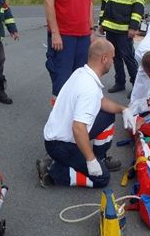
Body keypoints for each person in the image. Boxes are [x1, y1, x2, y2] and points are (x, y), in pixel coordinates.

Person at [38, 39, 137, 188]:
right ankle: (53, 171)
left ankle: (100, 159)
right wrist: (90, 160)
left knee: (107, 115)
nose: (113, 60)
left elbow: (102, 102)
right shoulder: (88, 88)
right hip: (61, 145)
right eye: (112, 57)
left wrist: (124, 109)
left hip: (60, 136)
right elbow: (78, 128)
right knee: (102, 179)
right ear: (104, 58)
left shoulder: (82, 72)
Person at [44, 0, 96, 105]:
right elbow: (49, 2)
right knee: (61, 77)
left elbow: (89, 2)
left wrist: (91, 29)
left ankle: (74, 114)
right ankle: (57, 120)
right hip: (64, 36)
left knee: (80, 77)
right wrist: (55, 33)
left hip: (83, 36)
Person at [99, 0, 144, 94]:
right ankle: (120, 83)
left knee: (128, 58)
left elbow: (138, 6)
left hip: (125, 30)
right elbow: (105, 2)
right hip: (111, 28)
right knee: (115, 57)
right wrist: (102, 22)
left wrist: (133, 27)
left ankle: (136, 87)